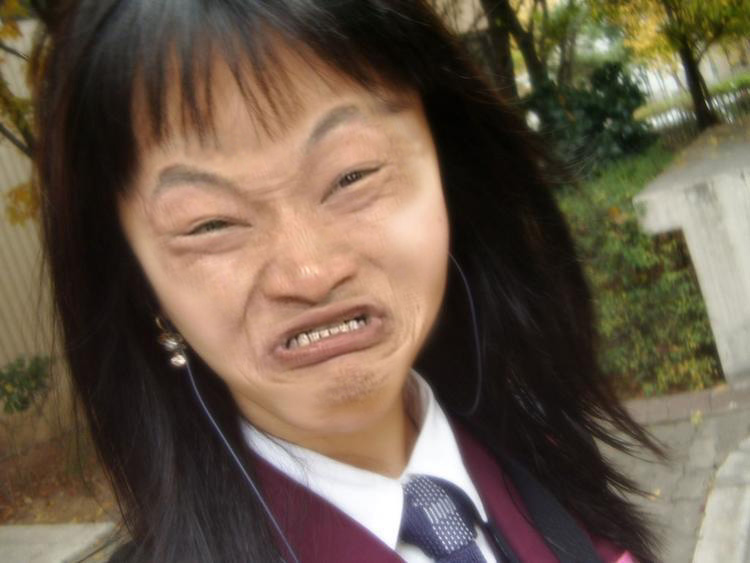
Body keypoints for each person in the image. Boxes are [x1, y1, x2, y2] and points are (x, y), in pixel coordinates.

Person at [31, 1, 661, 561]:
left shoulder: (548, 457)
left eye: (352, 176)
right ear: (139, 281)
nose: (308, 274)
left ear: (449, 174)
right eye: (209, 223)